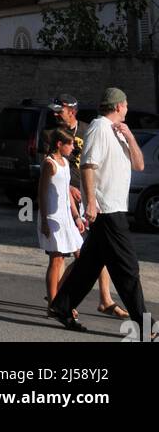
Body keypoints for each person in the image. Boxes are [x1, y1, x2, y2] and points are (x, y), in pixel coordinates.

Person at [49, 87, 150, 338]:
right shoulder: (98, 128)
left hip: (115, 208)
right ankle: (146, 327)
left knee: (90, 265)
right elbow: (87, 165)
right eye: (125, 104)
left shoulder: (119, 132)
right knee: (127, 269)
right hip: (107, 210)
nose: (127, 108)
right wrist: (91, 203)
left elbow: (139, 164)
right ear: (117, 106)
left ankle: (61, 306)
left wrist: (130, 136)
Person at [41, 94, 127, 319]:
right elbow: (47, 168)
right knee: (62, 254)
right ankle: (58, 298)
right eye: (55, 110)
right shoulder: (50, 134)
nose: (55, 114)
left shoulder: (89, 129)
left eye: (59, 110)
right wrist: (67, 187)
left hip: (88, 198)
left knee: (94, 249)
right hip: (63, 200)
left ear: (72, 110)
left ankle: (103, 298)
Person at [38, 128, 85, 313]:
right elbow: (41, 193)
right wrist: (43, 221)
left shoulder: (65, 162)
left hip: (67, 218)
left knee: (82, 258)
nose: (73, 147)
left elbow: (67, 193)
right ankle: (53, 305)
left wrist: (76, 217)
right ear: (59, 144)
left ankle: (60, 295)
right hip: (52, 217)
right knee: (56, 260)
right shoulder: (49, 164)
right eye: (70, 144)